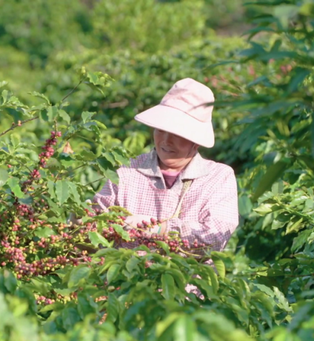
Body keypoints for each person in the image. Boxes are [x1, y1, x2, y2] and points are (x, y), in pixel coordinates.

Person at [92, 78, 239, 259]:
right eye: (161, 130)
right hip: (125, 284)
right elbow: (94, 226)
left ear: (196, 140)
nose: (166, 140)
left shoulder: (217, 177)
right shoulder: (127, 172)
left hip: (187, 284)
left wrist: (162, 229)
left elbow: (216, 236)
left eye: (177, 134)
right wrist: (81, 223)